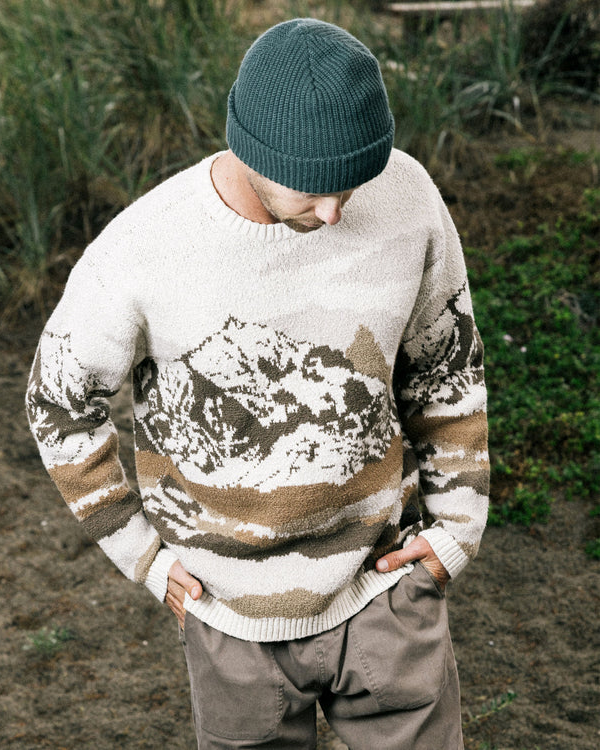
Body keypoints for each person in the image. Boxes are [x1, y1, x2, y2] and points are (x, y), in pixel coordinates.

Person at [26, 17, 489, 749]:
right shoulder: (145, 248)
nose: (334, 212)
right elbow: (57, 400)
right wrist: (141, 554)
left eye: (352, 182)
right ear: (249, 149)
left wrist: (457, 527)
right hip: (228, 618)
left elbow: (445, 362)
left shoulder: (408, 197)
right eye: (312, 189)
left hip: (388, 587)